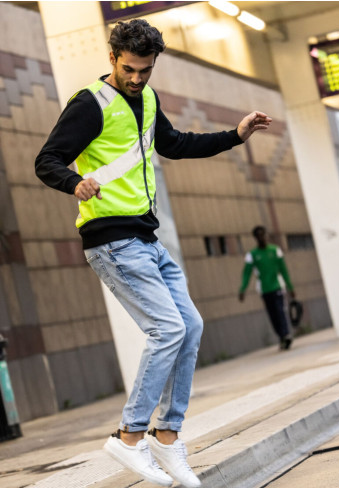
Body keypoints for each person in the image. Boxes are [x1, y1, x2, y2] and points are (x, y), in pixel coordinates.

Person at [35, 19, 272, 488]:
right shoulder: (89, 104)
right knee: (167, 328)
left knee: (191, 326)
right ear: (112, 59)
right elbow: (47, 160)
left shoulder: (146, 99)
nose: (137, 78)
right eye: (129, 69)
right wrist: (73, 182)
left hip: (146, 239)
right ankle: (128, 438)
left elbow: (175, 144)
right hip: (111, 240)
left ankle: (166, 436)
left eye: (145, 70)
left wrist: (235, 135)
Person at [238, 225, 295, 351]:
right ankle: (282, 337)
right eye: (258, 235)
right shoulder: (252, 255)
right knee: (273, 315)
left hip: (278, 287)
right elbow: (246, 274)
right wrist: (242, 290)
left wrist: (290, 287)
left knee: (280, 311)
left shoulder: (275, 250)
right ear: (255, 238)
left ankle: (286, 334)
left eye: (263, 234)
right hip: (264, 290)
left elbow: (283, 270)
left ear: (266, 235)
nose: (261, 237)